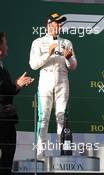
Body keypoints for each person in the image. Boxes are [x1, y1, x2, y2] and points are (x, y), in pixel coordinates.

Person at [29, 12, 77, 159]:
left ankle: (63, 152)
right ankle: (40, 154)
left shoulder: (67, 42)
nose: (59, 25)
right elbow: (33, 65)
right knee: (43, 118)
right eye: (56, 23)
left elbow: (74, 66)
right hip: (45, 80)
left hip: (63, 80)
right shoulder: (38, 42)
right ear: (49, 25)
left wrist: (69, 59)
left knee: (61, 117)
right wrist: (48, 54)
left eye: (60, 23)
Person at [0, 32, 33, 174]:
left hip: (7, 118)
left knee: (7, 159)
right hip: (2, 118)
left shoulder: (3, 68)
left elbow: (6, 91)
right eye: (5, 43)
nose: (7, 47)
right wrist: (17, 85)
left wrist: (17, 86)